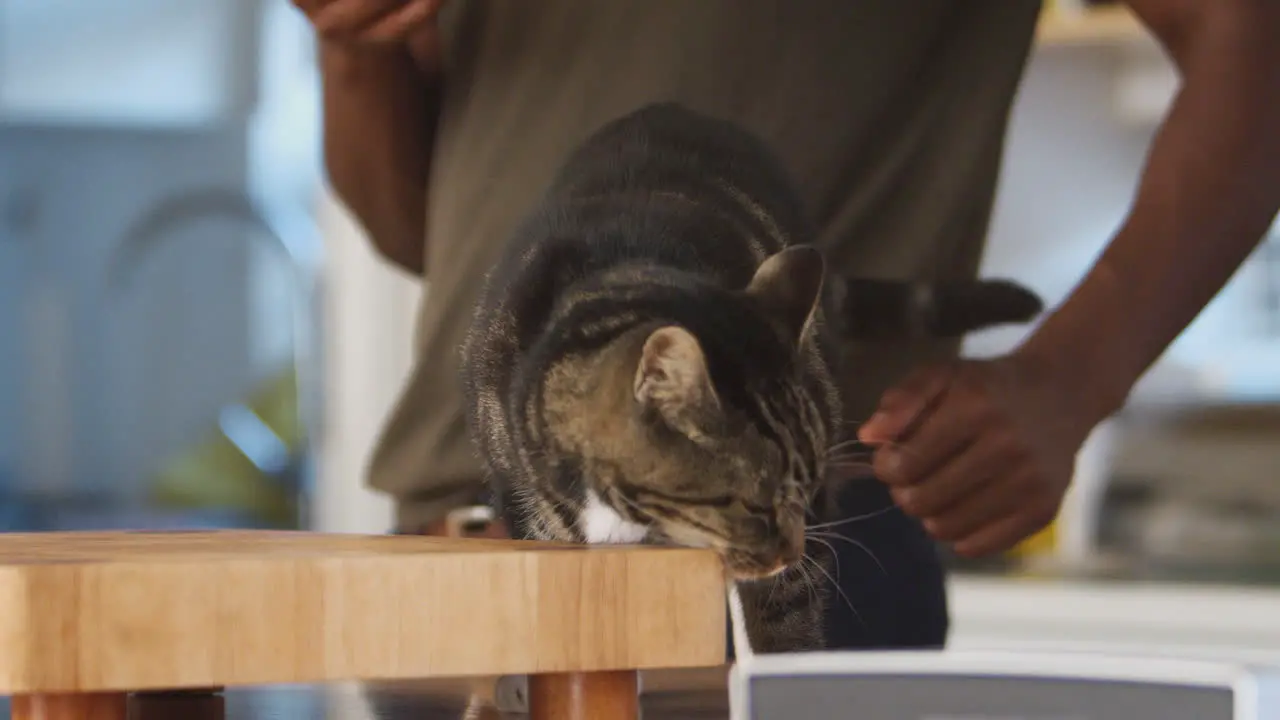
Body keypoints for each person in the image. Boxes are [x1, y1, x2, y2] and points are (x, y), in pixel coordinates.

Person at [293, 0, 1280, 651]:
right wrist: (349, 48)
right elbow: (420, 229)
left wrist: (1072, 378)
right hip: (447, 560)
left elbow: (1250, 37)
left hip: (772, 557)